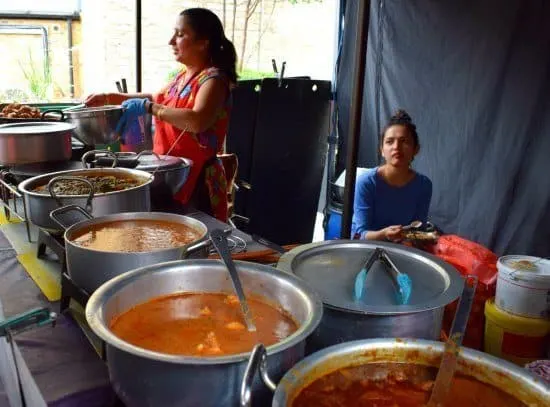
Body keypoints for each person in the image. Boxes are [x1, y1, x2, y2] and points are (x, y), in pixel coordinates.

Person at [85, 8, 237, 221]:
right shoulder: (183, 77)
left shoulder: (214, 80)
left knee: (200, 238)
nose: (171, 41)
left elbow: (197, 120)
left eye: (180, 34)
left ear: (203, 42)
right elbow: (157, 97)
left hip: (198, 181)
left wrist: (150, 107)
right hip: (170, 174)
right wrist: (111, 97)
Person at [351, 110, 432, 241]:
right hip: (366, 249)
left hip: (402, 250)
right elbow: (359, 234)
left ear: (416, 149)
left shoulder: (424, 185)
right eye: (389, 142)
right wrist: (384, 234)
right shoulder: (367, 182)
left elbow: (418, 230)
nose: (396, 147)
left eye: (404, 141)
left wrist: (410, 240)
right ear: (382, 150)